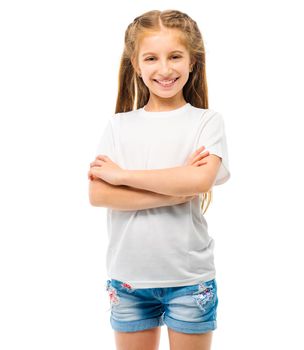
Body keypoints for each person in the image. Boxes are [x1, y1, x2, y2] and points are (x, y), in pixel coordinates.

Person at [88, 9, 231, 350]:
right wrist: (177, 188)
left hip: (189, 280)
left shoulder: (206, 121)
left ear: (193, 61)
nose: (164, 69)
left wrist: (123, 176)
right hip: (128, 281)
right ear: (136, 65)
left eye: (175, 56)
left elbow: (200, 180)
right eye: (151, 58)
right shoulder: (119, 126)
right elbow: (98, 194)